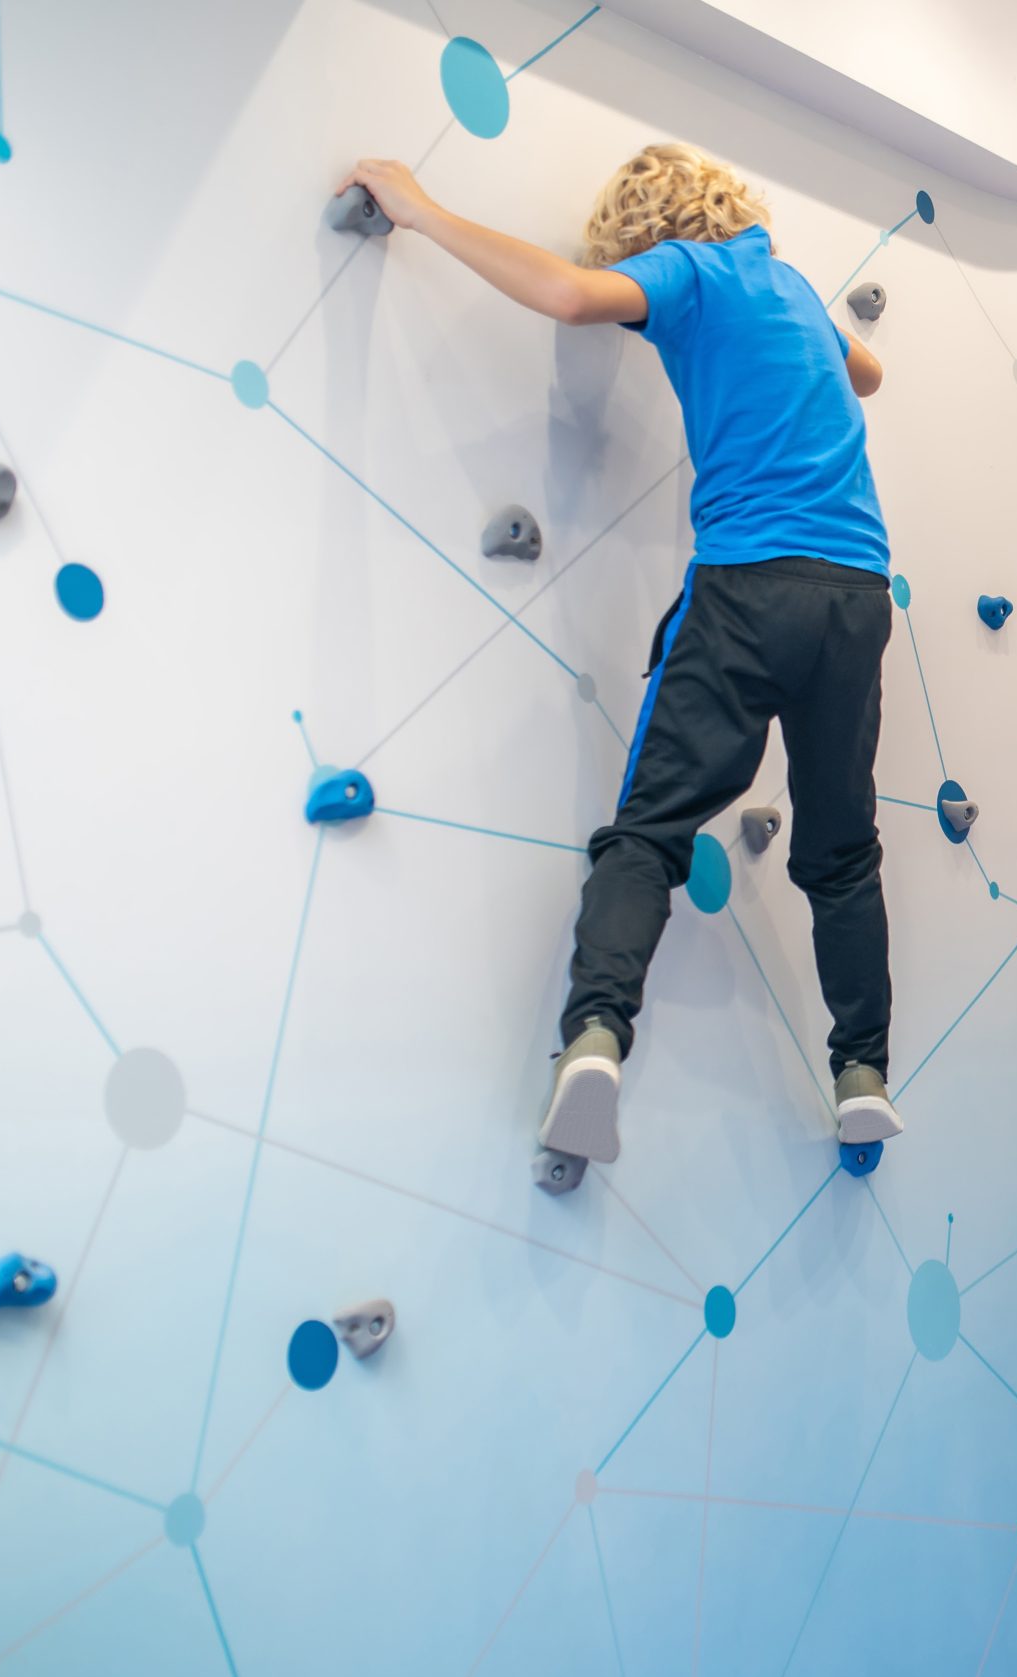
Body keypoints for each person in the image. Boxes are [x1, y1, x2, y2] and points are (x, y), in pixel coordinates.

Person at [335, 144, 904, 1169]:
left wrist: (420, 210)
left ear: (649, 234)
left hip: (746, 587)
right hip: (857, 598)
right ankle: (862, 1072)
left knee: (648, 831)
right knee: (840, 852)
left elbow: (564, 293)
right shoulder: (788, 284)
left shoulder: (690, 274)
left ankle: (593, 1039)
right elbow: (867, 371)